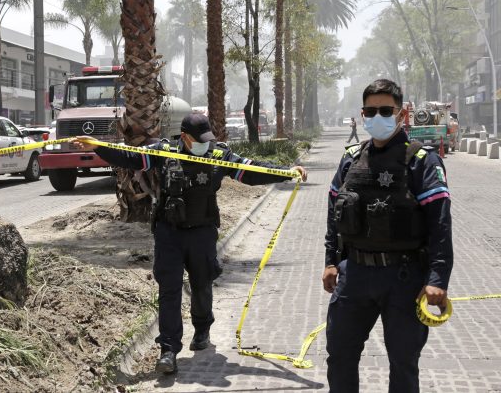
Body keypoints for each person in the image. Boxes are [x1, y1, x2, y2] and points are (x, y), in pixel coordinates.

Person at [71, 113, 307, 374]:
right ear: (184, 137)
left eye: (208, 139)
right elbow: (129, 156)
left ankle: (202, 329)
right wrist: (98, 147)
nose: (205, 144)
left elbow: (251, 171)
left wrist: (285, 173)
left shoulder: (219, 155)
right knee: (169, 290)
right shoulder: (163, 151)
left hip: (203, 232)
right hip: (169, 232)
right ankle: (168, 350)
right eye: (199, 140)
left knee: (202, 284)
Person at [322, 79, 453, 392]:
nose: (377, 116)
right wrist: (331, 261)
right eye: (371, 110)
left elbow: (440, 226)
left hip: (404, 278)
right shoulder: (352, 159)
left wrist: (437, 280)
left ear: (402, 113)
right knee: (339, 356)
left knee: (403, 363)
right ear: (363, 114)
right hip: (353, 274)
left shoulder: (422, 161)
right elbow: (333, 214)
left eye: (386, 110)